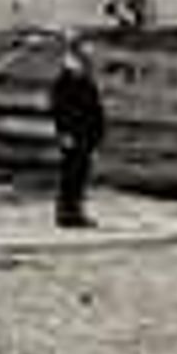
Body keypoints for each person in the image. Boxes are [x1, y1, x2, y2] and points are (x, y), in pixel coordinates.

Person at [48, 36, 107, 228]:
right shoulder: (65, 82)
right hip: (72, 136)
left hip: (86, 136)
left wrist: (97, 137)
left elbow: (96, 110)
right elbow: (59, 110)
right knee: (70, 175)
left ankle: (75, 212)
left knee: (80, 175)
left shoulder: (86, 81)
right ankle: (66, 213)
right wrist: (63, 133)